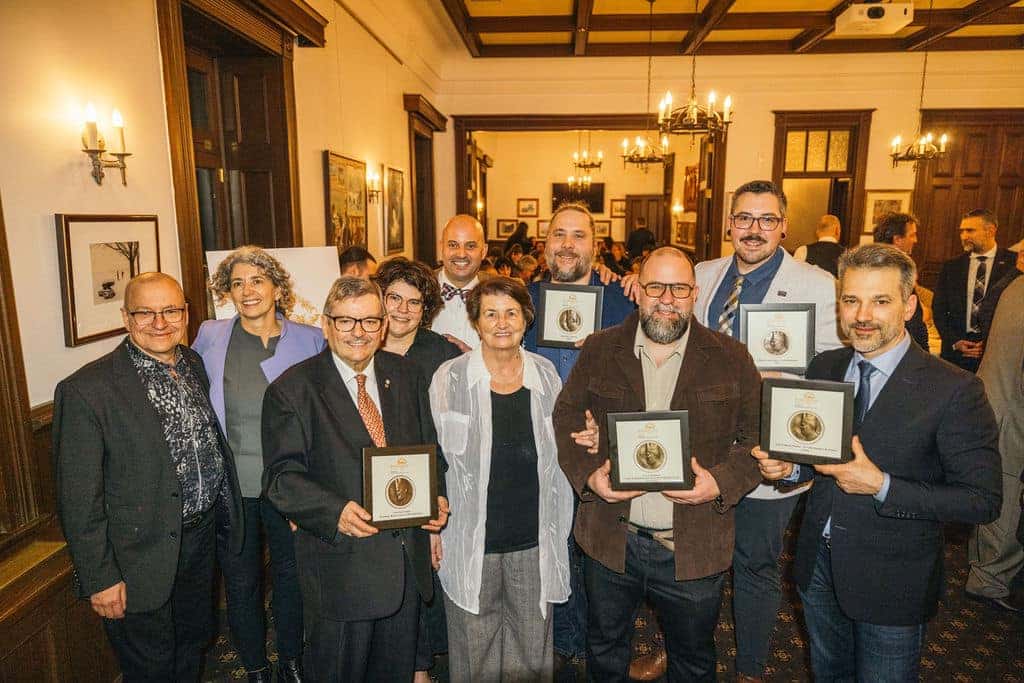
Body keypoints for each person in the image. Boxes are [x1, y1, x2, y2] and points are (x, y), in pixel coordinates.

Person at [755, 243, 1002, 680]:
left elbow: (982, 500)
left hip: (892, 581)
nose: (862, 315)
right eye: (851, 300)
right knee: (828, 673)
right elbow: (822, 458)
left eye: (880, 301)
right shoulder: (826, 366)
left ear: (909, 306)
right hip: (816, 568)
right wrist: (789, 468)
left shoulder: (955, 389)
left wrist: (882, 484)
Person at [555, 247, 763, 681]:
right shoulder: (599, 348)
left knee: (693, 661)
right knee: (605, 650)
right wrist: (590, 476)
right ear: (638, 291)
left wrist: (720, 483)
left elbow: (755, 439)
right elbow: (567, 416)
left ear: (694, 292)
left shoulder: (732, 357)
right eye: (655, 286)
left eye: (679, 288)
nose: (667, 298)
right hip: (612, 539)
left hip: (692, 544)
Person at [53, 272, 244, 681]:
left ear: (186, 314)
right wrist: (100, 578)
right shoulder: (88, 389)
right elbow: (78, 498)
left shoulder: (191, 362)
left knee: (193, 647)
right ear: (126, 317)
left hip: (198, 542)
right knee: (151, 667)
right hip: (137, 558)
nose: (161, 322)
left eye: (171, 310)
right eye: (146, 313)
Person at [261, 277, 449, 681]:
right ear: (327, 325)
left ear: (383, 326)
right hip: (343, 572)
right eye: (346, 321)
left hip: (404, 565)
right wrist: (335, 511)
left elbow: (431, 451)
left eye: (369, 321)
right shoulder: (292, 390)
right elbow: (281, 479)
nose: (358, 333)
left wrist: (437, 498)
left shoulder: (406, 376)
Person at [693, 179, 843, 682]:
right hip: (707, 446)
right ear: (729, 224)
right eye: (744, 219)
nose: (753, 230)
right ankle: (690, 653)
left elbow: (831, 369)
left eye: (766, 220)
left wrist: (789, 378)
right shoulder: (703, 275)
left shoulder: (818, 285)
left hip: (771, 448)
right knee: (696, 560)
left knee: (755, 564)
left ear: (783, 226)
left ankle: (750, 668)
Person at [430, 276, 575, 681]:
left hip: (532, 539)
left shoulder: (546, 375)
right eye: (490, 313)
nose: (501, 322)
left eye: (511, 312)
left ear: (527, 319)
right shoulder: (450, 378)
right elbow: (435, 457)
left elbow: (561, 450)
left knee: (531, 652)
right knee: (474, 655)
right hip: (470, 539)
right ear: (475, 321)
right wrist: (431, 525)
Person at [193, 246, 325, 682]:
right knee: (241, 581)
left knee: (292, 577)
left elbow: (324, 410)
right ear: (226, 291)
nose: (247, 291)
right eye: (236, 283)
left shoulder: (310, 339)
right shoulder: (210, 334)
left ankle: (291, 659)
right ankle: (254, 665)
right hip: (233, 486)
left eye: (256, 280)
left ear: (276, 286)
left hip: (289, 484)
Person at [520, 201, 636, 671]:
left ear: (596, 245)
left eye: (579, 236)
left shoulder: (623, 302)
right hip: (538, 449)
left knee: (607, 557)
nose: (568, 244)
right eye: (559, 235)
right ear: (545, 245)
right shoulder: (522, 301)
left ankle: (607, 650)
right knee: (554, 546)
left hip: (603, 449)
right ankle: (567, 644)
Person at [372, 257, 462, 679]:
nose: (403, 310)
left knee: (426, 577)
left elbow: (453, 430)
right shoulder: (359, 345)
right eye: (394, 298)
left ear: (426, 308)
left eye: (414, 302)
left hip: (432, 478)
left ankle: (423, 665)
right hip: (370, 484)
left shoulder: (441, 353)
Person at [967, 276, 1024, 612]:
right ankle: (990, 581)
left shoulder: (1017, 285)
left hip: (996, 403)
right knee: (1007, 496)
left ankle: (986, 573)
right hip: (1012, 412)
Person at [932, 209, 1017, 372]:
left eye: (970, 230)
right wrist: (955, 341)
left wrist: (990, 343)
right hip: (956, 355)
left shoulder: (1013, 264)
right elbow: (939, 309)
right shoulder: (951, 267)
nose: (964, 236)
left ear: (990, 230)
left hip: (997, 354)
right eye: (962, 231)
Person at [873, 212, 930, 350]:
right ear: (897, 239)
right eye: (912, 235)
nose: (915, 240)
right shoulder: (895, 270)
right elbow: (912, 321)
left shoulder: (872, 264)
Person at [432, 215, 488, 350]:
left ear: (484, 251)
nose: (461, 254)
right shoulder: (418, 288)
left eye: (470, 246)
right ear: (441, 247)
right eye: (453, 245)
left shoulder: (502, 292)